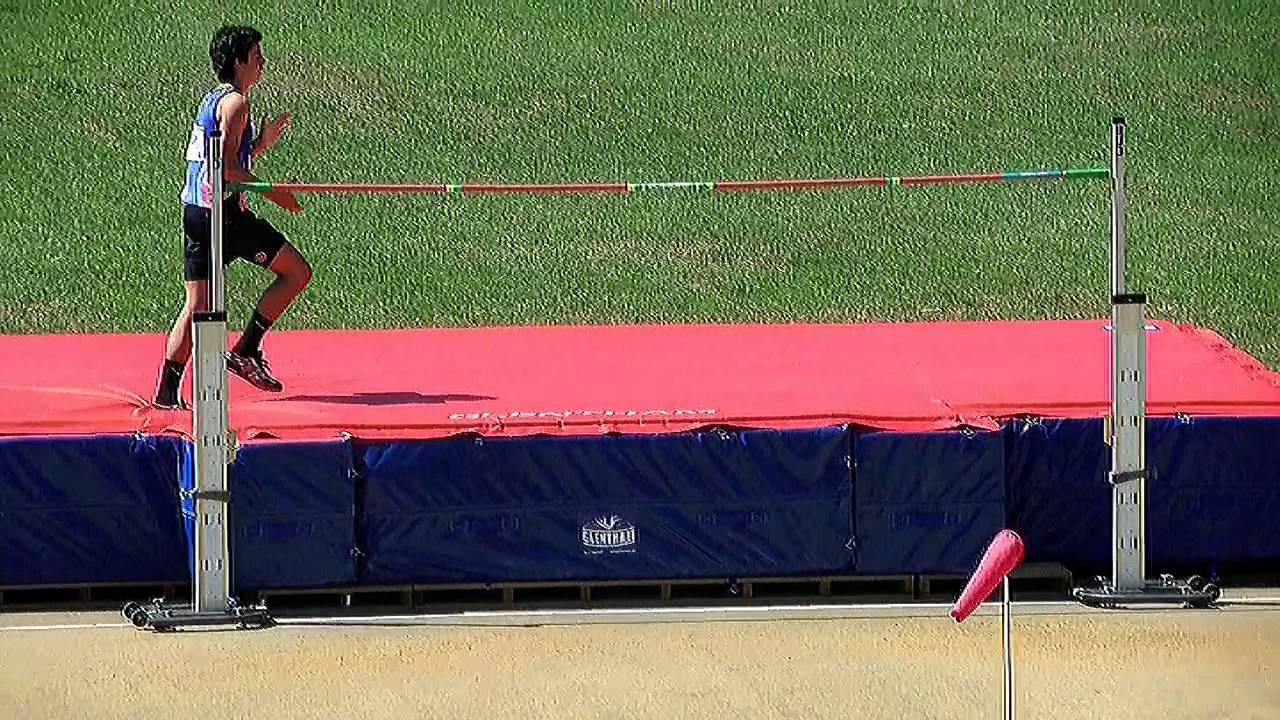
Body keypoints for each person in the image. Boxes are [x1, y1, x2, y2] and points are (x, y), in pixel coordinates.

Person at [154, 25, 309, 410]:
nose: (262, 62)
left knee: (197, 304)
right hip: (223, 218)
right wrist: (275, 193)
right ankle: (247, 348)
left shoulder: (215, 99)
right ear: (239, 62)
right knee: (296, 272)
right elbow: (226, 170)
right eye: (256, 56)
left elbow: (222, 160)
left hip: (196, 212)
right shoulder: (237, 104)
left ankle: (166, 393)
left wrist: (261, 144)